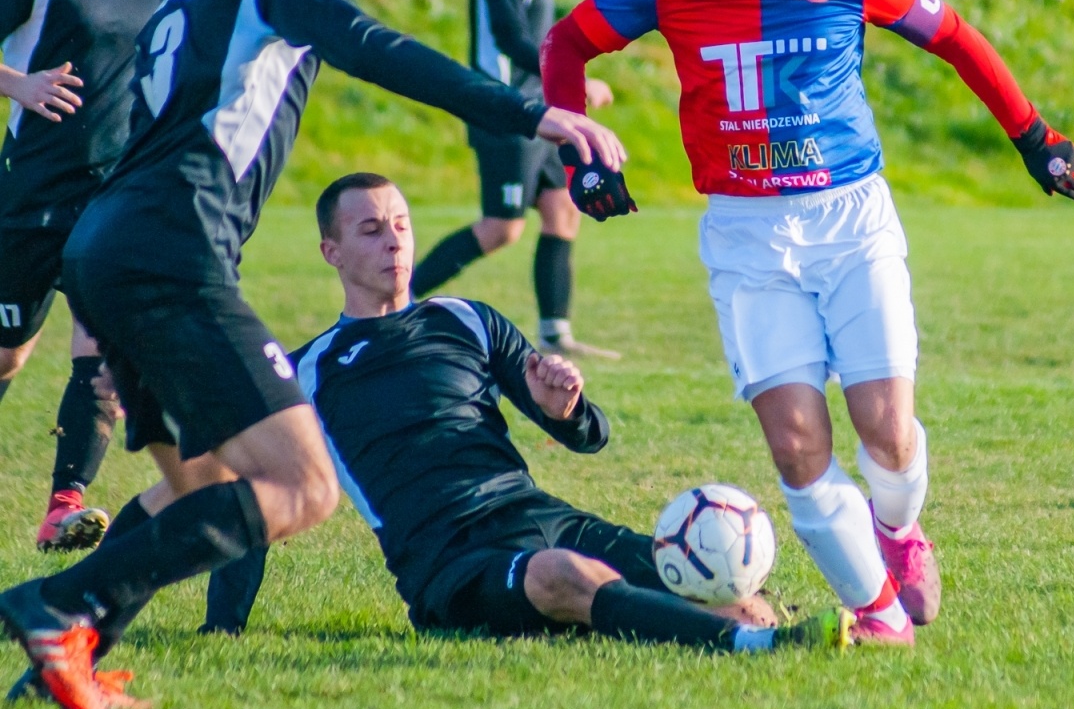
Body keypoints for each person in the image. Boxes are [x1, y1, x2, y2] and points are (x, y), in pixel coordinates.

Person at [0, 0, 624, 709]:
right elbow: (372, 45)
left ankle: (55, 668)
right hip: (172, 255)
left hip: (105, 243)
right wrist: (531, 113)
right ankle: (54, 606)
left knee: (199, 484)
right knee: (304, 487)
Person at [540, 0, 1074, 645]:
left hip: (851, 222)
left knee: (888, 431)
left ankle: (898, 530)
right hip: (746, 234)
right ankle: (878, 616)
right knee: (798, 446)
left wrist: (1032, 134)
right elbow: (567, 42)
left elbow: (954, 36)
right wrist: (579, 156)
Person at [176, 172, 852, 656]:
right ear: (332, 252)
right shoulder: (307, 372)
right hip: (449, 561)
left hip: (537, 514)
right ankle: (751, 647)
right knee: (562, 576)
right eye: (371, 230)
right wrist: (223, 626)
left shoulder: (466, 320)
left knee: (699, 577)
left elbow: (590, 436)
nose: (395, 243)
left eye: (402, 225)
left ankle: (773, 628)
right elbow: (259, 500)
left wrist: (567, 407)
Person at [0, 0, 176, 555]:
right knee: (8, 356)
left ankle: (63, 508)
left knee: (101, 357)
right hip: (29, 199)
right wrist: (19, 84)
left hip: (114, 204)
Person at [410, 0, 618, 358]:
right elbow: (509, 38)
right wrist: (572, 79)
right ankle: (399, 298)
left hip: (537, 114)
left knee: (562, 209)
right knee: (502, 228)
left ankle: (555, 333)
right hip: (504, 114)